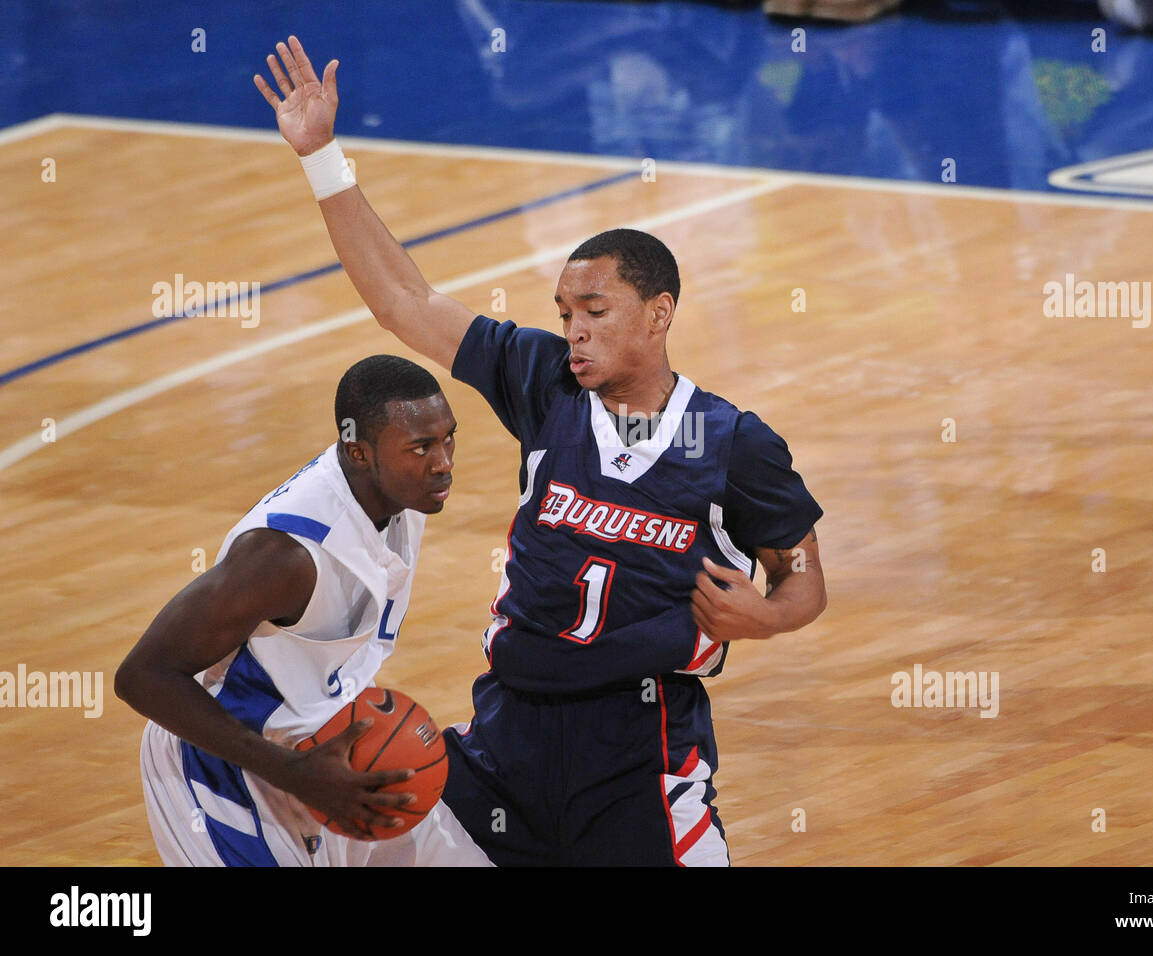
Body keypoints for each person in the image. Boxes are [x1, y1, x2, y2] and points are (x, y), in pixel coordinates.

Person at [254, 36, 827, 866]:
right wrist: (322, 160)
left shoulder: (733, 442)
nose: (574, 330)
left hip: (638, 750)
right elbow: (404, 302)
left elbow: (804, 576)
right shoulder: (544, 381)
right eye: (565, 312)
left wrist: (768, 615)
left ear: (659, 313)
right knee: (355, 844)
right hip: (506, 739)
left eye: (594, 310)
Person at [115, 355, 490, 866]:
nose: (444, 461)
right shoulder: (285, 555)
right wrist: (291, 772)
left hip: (330, 755)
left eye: (448, 438)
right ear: (359, 452)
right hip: (227, 766)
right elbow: (143, 675)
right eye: (421, 447)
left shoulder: (400, 492)